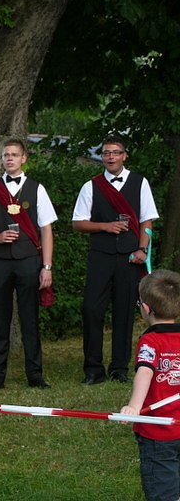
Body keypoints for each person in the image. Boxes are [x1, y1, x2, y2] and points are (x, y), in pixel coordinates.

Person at [0, 138, 57, 392]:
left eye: (14, 155)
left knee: (30, 318)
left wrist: (46, 267)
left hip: (29, 261)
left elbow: (46, 230)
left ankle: (35, 375)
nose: (9, 158)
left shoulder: (37, 189)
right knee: (1, 321)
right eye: (6, 155)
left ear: (24, 158)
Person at [73, 134, 158, 384]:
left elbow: (147, 220)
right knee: (91, 309)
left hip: (130, 257)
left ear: (124, 155)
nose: (111, 156)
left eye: (116, 152)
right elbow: (78, 223)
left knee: (123, 312)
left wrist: (142, 249)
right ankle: (93, 369)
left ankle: (119, 368)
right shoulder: (91, 186)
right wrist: (105, 227)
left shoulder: (140, 183)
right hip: (100, 256)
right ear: (102, 156)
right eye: (106, 152)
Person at [120, 270, 180, 501]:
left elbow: (145, 371)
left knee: (163, 493)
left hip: (158, 434)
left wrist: (134, 407)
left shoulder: (150, 340)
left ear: (146, 308)